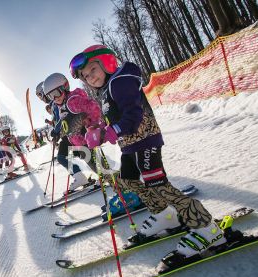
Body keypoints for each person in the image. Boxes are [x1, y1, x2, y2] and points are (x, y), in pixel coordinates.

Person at [69, 44, 226, 259]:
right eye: (85, 76)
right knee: (128, 181)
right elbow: (115, 118)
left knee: (160, 186)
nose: (90, 77)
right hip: (130, 147)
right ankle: (164, 215)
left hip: (146, 142)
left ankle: (207, 229)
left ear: (106, 62)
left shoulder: (121, 81)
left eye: (93, 70)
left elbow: (134, 116)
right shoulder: (106, 90)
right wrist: (100, 130)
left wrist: (111, 131)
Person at [42, 72, 101, 191]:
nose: (55, 98)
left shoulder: (72, 101)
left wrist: (91, 124)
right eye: (50, 96)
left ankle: (115, 184)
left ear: (65, 86)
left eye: (57, 93)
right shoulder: (62, 105)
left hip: (86, 140)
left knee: (95, 164)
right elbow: (64, 120)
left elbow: (94, 108)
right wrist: (57, 131)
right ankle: (107, 178)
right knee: (92, 163)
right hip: (78, 142)